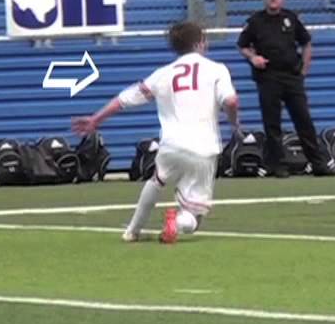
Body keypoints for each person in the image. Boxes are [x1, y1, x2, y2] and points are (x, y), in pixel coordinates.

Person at [71, 21, 241, 244]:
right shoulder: (217, 69)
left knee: (156, 180)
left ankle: (132, 230)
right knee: (193, 218)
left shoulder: (163, 74)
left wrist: (96, 119)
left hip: (171, 146)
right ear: (201, 42)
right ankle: (177, 222)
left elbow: (125, 99)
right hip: (203, 148)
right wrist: (234, 123)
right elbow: (231, 100)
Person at [237, 0, 335, 177]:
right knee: (272, 124)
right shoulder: (255, 21)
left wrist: (304, 70)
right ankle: (278, 165)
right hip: (268, 77)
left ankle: (318, 163)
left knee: (304, 120)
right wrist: (253, 58)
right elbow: (242, 45)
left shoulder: (291, 18)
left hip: (291, 76)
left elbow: (306, 42)